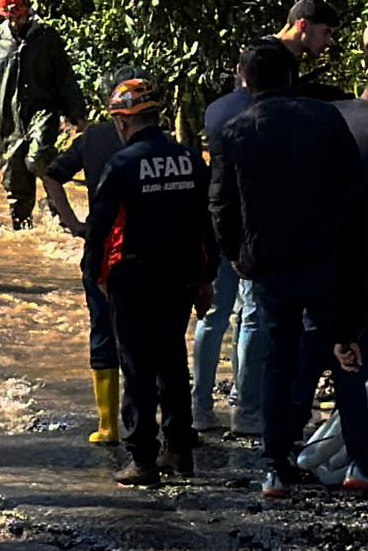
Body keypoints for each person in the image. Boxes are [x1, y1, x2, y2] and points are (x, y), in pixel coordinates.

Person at [209, 40, 368, 501]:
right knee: (344, 350)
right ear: (292, 77)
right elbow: (354, 193)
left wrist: (235, 254)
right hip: (328, 258)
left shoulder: (235, 130)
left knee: (277, 360)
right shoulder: (326, 118)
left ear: (245, 81)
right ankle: (360, 460)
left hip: (271, 263)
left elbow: (220, 203)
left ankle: (276, 466)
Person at [83, 78, 217, 487]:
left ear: (124, 122)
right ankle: (179, 449)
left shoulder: (123, 165)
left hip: (133, 276)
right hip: (180, 275)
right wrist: (205, 277)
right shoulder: (191, 159)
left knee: (137, 365)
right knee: (173, 359)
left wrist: (92, 273)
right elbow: (205, 224)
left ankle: (142, 457)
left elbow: (100, 227)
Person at [42, 87, 130, 444]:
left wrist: (73, 223)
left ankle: (108, 426)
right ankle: (165, 423)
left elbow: (51, 175)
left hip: (101, 247)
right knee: (155, 336)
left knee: (103, 330)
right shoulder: (163, 144)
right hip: (153, 252)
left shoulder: (91, 138)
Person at [191, 60, 268, 437]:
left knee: (214, 315)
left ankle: (200, 406)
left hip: (218, 220)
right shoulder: (268, 113)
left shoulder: (215, 110)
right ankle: (246, 408)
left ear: (239, 71)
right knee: (250, 315)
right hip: (254, 225)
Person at [0, 0, 85, 230]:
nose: (15, 18)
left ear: (27, 6)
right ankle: (24, 233)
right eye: (10, 13)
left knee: (37, 158)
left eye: (19, 11)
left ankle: (59, 211)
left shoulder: (46, 38)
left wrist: (76, 112)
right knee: (15, 183)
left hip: (41, 113)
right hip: (10, 121)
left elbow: (65, 78)